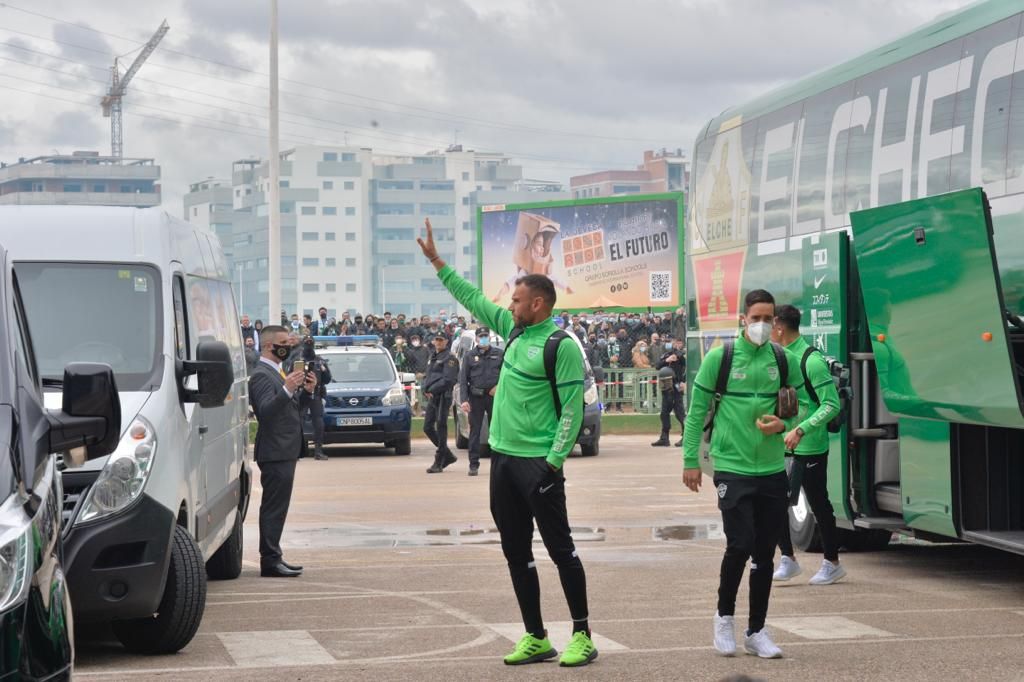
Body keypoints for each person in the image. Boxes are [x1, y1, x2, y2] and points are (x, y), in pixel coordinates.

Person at [417, 217, 598, 667]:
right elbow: (472, 297)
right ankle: (536, 636)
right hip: (504, 462)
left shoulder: (561, 345)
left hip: (540, 464)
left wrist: (554, 463)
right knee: (516, 551)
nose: (509, 305)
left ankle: (583, 635)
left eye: (517, 300)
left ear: (537, 303)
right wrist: (438, 262)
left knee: (561, 550)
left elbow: (573, 410)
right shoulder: (514, 329)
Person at [681, 289, 803, 659]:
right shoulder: (721, 358)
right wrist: (690, 461)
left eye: (769, 319)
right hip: (731, 467)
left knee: (765, 553)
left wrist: (781, 424)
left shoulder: (783, 360)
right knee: (740, 545)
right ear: (743, 319)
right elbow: (696, 412)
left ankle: (757, 630)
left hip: (770, 468)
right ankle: (724, 617)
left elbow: (795, 410)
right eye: (757, 318)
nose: (763, 325)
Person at [770, 305, 845, 585]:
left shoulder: (811, 360)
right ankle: (788, 558)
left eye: (770, 324)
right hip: (782, 444)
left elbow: (831, 404)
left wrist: (802, 429)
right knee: (776, 502)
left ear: (780, 326)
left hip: (809, 445)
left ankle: (832, 562)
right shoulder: (777, 358)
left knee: (818, 504)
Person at [249, 325, 317, 578]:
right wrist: (287, 388)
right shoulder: (261, 375)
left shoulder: (277, 372)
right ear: (269, 346)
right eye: (284, 342)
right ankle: (270, 560)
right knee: (273, 507)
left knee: (279, 506)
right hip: (275, 451)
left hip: (285, 450)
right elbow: (266, 413)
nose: (289, 346)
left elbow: (293, 411)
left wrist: (307, 393)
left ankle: (274, 556)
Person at [458, 327, 503, 476]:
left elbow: (507, 375)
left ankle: (499, 464)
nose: (484, 338)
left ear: (489, 338)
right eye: (481, 336)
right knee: (475, 432)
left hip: (493, 397)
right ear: (476, 339)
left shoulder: (498, 354)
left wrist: (499, 386)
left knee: (497, 432)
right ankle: (473, 465)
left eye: (486, 336)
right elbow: (463, 379)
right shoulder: (470, 356)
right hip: (476, 398)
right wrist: (464, 400)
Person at [422, 333, 460, 473]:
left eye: (441, 340)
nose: (438, 342)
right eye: (436, 340)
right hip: (433, 396)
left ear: (446, 341)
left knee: (441, 425)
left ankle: (439, 460)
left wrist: (432, 389)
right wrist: (424, 388)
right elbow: (428, 375)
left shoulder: (450, 359)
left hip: (443, 396)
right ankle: (448, 455)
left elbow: (449, 379)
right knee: (427, 427)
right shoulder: (433, 356)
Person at [298, 336, 333, 461]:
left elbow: (328, 379)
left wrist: (323, 370)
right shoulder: (297, 361)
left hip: (315, 394)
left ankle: (318, 450)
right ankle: (297, 450)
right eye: (306, 343)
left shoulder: (320, 361)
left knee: (318, 422)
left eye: (310, 343)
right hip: (301, 394)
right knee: (298, 421)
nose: (308, 345)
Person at [652, 337, 686, 447]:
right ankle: (664, 438)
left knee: (680, 413)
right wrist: (667, 360)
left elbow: (685, 362)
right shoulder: (667, 355)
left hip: (677, 386)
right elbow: (657, 365)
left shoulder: (682, 355)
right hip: (666, 387)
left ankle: (687, 436)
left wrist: (683, 381)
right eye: (671, 342)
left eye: (677, 342)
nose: (674, 343)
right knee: (664, 413)